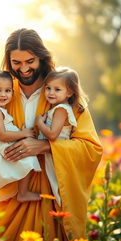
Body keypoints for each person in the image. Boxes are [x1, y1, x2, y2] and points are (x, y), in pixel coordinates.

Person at [0, 28, 102, 241]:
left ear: (42, 57)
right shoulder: (1, 94)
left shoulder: (60, 91)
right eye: (16, 62)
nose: (24, 69)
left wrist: (45, 146)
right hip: (14, 195)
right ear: (8, 61)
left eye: (30, 61)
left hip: (52, 195)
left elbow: (91, 148)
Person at [0, 69, 42, 202]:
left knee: (26, 156)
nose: (3, 95)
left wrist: (20, 134)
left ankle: (22, 192)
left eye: (7, 90)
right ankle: (23, 192)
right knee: (27, 156)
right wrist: (24, 133)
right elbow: (2, 136)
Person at [35, 67, 87, 207]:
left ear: (69, 92)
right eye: (48, 88)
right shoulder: (57, 108)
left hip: (56, 155)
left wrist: (39, 123)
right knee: (54, 184)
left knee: (57, 186)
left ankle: (64, 216)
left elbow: (52, 135)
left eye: (57, 89)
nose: (51, 93)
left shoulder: (61, 110)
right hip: (53, 154)